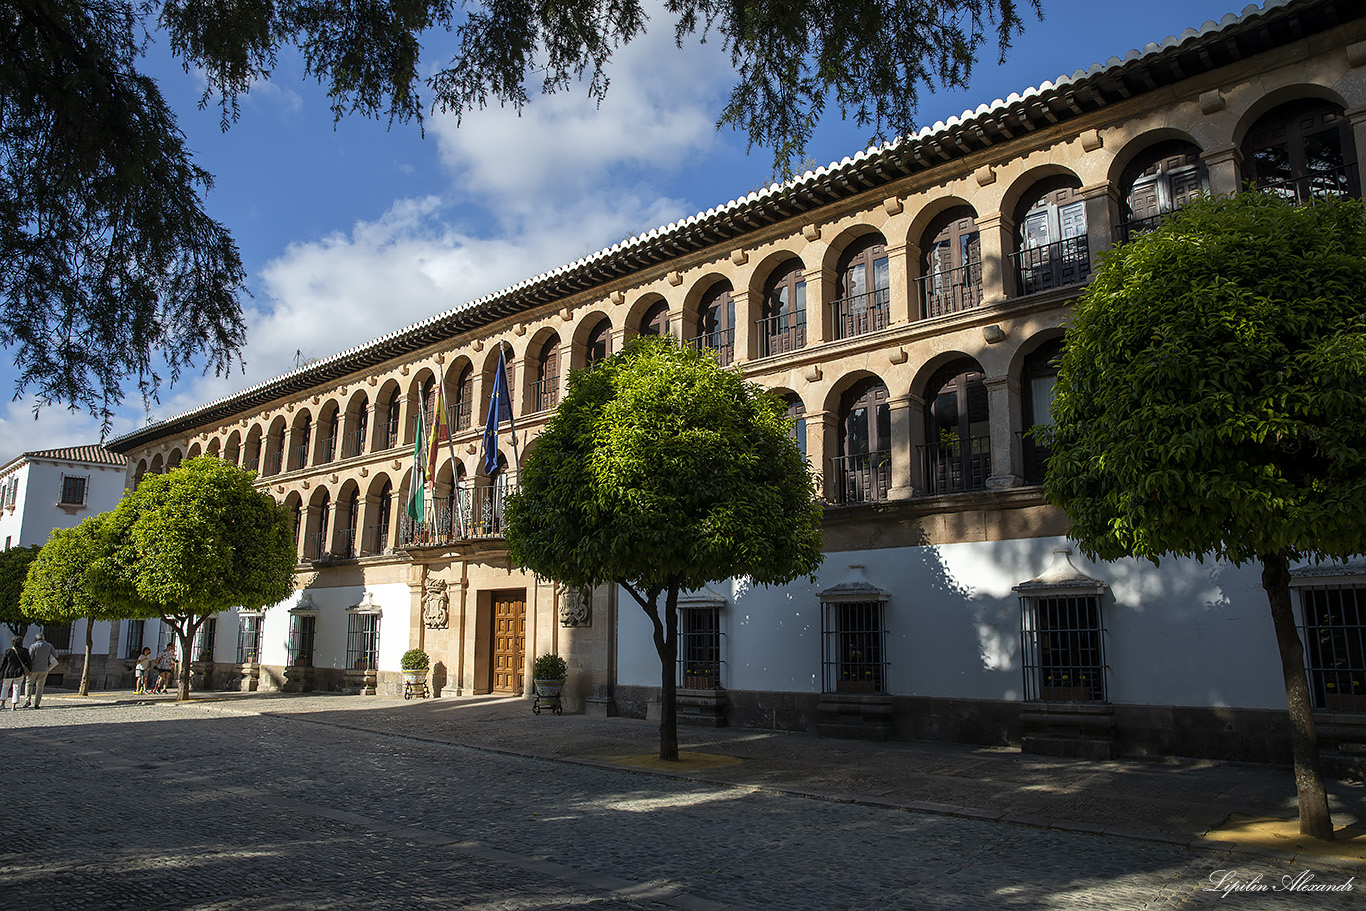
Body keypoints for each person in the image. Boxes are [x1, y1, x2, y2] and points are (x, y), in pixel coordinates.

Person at [23, 630, 56, 709]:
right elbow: (55, 655)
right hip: (44, 669)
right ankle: (37, 703)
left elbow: (30, 658)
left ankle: (27, 700)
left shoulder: (33, 646)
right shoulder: (49, 646)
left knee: (29, 684)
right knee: (40, 687)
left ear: (36, 639)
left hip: (33, 669)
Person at [0, 637, 30, 711]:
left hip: (8, 672)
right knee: (16, 688)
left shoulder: (8, 651)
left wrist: (1, 672)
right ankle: (13, 705)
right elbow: (29, 662)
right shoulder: (24, 651)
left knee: (5, 687)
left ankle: (2, 703)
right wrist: (29, 671)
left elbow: (3, 663)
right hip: (19, 672)